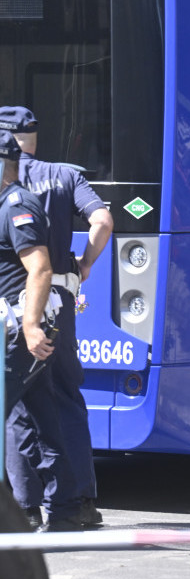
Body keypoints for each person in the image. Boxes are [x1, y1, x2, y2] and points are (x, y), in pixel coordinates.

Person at [0, 106, 112, 529]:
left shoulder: (12, 190)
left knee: (16, 411)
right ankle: (76, 502)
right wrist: (85, 264)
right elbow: (102, 220)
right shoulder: (65, 175)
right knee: (61, 400)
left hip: (21, 310)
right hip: (57, 302)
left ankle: (24, 507)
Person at [0, 129, 78, 532]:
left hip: (19, 331)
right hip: (15, 331)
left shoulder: (16, 205)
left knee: (14, 416)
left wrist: (30, 326)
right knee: (43, 418)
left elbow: (40, 268)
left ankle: (38, 509)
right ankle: (64, 509)